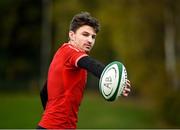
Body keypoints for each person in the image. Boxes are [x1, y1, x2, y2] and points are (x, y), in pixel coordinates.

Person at [37, 12, 131, 129]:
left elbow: (44, 92)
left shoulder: (63, 55)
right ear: (72, 35)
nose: (90, 40)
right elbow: (90, 64)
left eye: (93, 37)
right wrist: (112, 76)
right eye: (85, 34)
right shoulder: (70, 52)